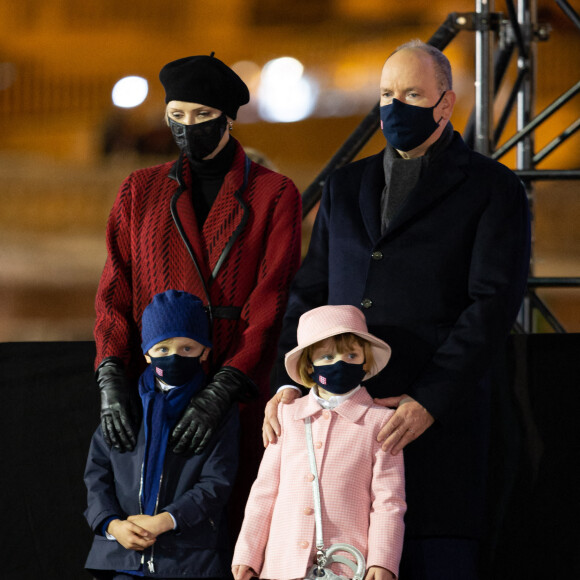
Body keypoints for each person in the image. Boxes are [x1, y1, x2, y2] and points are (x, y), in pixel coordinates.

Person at [265, 40, 531, 579]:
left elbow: (491, 306)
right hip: (341, 441)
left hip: (436, 428)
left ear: (446, 103)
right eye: (386, 94)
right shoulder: (344, 186)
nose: (394, 106)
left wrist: (429, 399)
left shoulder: (492, 189)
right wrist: (289, 380)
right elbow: (309, 294)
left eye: (412, 94)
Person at [93, 53, 302, 531]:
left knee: (230, 512)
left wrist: (223, 390)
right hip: (152, 386)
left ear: (227, 117)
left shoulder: (273, 194)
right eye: (177, 116)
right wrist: (110, 376)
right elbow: (114, 291)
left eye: (203, 116)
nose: (188, 128)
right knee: (147, 514)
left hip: (234, 384)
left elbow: (269, 302)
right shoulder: (138, 190)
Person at [232, 305, 406, 580]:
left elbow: (389, 501)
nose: (340, 362)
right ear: (310, 365)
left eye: (351, 354)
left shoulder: (381, 422)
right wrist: (247, 554)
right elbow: (264, 491)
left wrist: (382, 561)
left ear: (365, 359)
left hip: (347, 566)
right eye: (327, 356)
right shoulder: (287, 416)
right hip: (281, 565)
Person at [84, 289, 240, 579]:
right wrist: (111, 524)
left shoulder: (220, 413)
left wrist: (168, 520)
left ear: (205, 352)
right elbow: (97, 474)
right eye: (163, 349)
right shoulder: (124, 405)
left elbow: (217, 482)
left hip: (190, 562)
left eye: (187, 349)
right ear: (146, 354)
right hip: (120, 557)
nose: (174, 357)